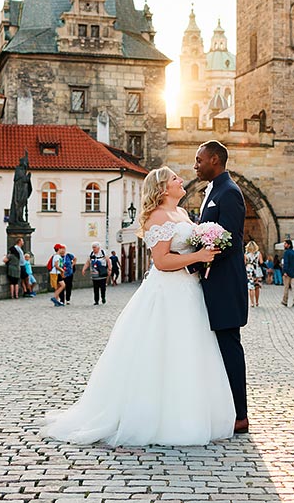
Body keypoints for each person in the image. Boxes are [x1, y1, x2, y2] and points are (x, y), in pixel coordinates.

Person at [40, 166, 232, 445]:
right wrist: (199, 255)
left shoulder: (182, 214)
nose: (181, 181)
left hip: (189, 290)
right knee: (161, 349)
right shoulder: (158, 217)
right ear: (164, 188)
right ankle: (156, 417)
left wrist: (206, 250)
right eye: (175, 179)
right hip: (168, 292)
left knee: (189, 349)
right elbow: (163, 262)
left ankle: (191, 412)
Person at [193, 140, 250, 435]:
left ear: (215, 160)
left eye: (199, 160)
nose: (195, 165)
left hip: (225, 282)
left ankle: (240, 414)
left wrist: (197, 260)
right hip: (211, 281)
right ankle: (222, 408)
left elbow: (230, 241)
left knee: (229, 347)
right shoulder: (212, 191)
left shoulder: (229, 192)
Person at [280, 240, 294, 308]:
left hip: (287, 273)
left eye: (285, 244)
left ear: (288, 245)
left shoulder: (286, 253)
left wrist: (285, 271)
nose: (284, 245)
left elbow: (286, 262)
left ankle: (285, 301)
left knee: (286, 287)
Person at [244, 241, 263, 308]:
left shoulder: (246, 254)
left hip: (249, 270)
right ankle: (257, 302)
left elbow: (244, 263)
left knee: (251, 287)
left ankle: (252, 303)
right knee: (257, 286)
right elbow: (261, 262)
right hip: (257, 270)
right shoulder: (258, 253)